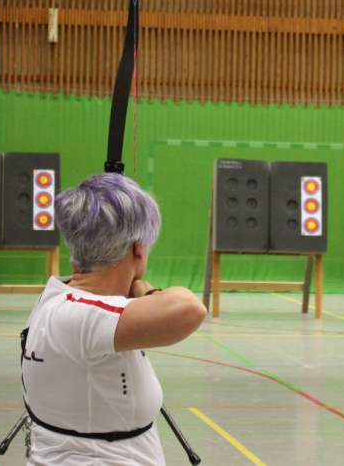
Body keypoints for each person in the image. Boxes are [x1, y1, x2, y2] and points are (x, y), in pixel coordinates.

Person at [20, 172, 207, 466]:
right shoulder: (79, 316)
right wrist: (146, 293)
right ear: (138, 247)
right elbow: (190, 308)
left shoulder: (59, 296)